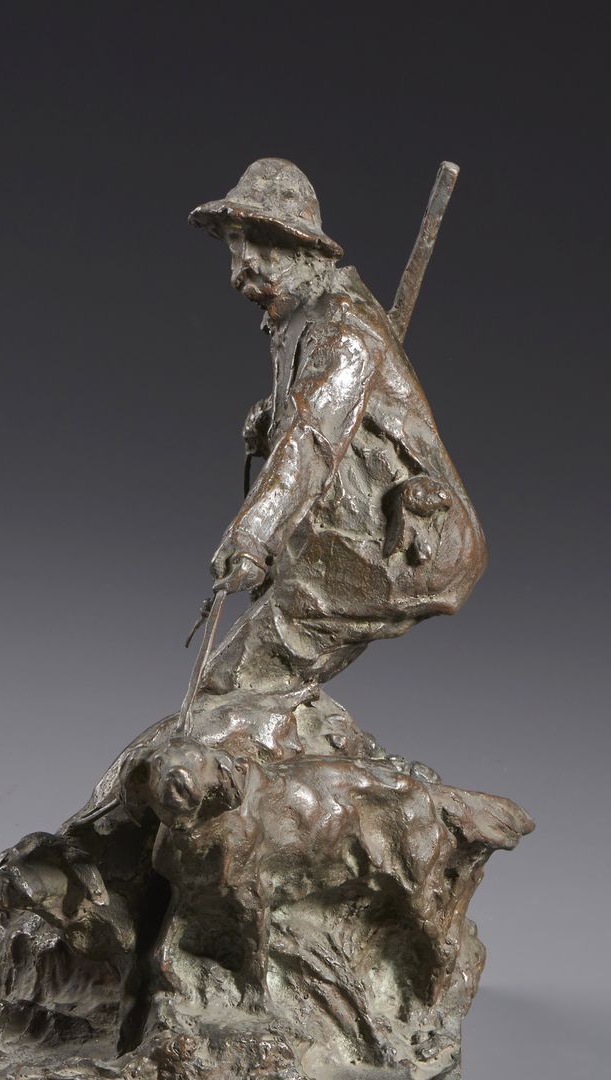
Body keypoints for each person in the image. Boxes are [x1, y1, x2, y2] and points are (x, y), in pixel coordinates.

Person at [189, 158, 487, 696]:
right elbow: (316, 414)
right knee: (259, 678)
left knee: (237, 679)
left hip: (404, 542)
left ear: (304, 250)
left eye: (263, 243)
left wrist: (252, 537)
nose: (244, 261)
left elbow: (310, 439)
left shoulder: (342, 328)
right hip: (340, 528)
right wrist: (272, 417)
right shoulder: (295, 315)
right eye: (236, 243)